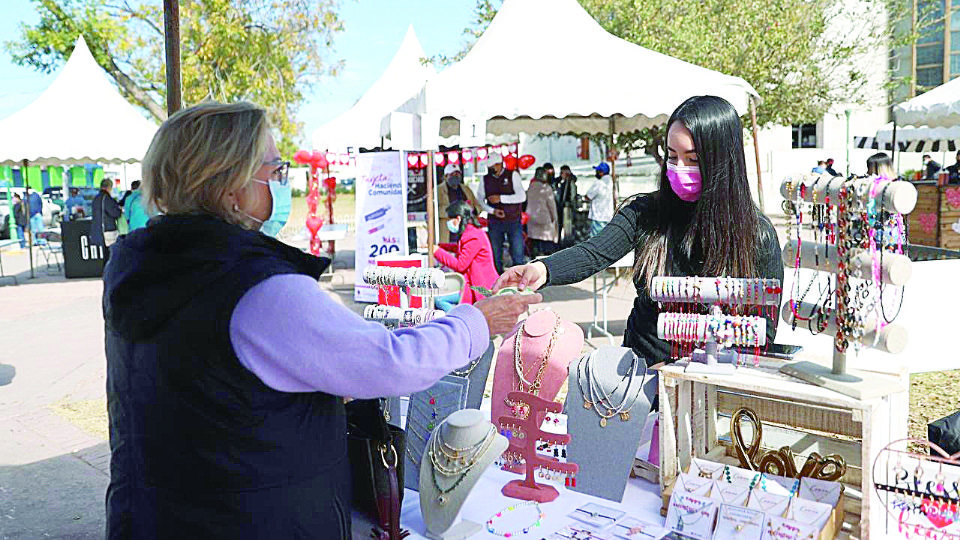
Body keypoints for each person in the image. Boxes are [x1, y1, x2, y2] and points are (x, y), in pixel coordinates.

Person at [101, 101, 540, 539]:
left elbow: (214, 383)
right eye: (273, 172)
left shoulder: (140, 265)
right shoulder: (256, 287)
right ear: (231, 188)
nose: (279, 186)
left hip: (158, 512)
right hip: (248, 519)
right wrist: (476, 322)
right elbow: (390, 362)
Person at [494, 95, 783, 366]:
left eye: (693, 160)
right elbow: (594, 253)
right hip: (641, 377)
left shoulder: (757, 236)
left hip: (715, 385)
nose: (679, 168)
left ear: (723, 162)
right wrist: (543, 270)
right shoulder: (646, 213)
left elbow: (764, 332)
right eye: (672, 156)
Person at [433, 201, 500, 312]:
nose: (448, 223)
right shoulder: (471, 232)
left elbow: (460, 265)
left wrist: (437, 252)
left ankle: (459, 320)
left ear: (458, 218)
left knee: (440, 300)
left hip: (480, 286)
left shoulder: (472, 236)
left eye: (450, 219)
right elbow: (462, 249)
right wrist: (442, 246)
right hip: (473, 284)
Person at [476, 154, 526, 274]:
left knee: (517, 252)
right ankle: (496, 279)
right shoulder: (485, 179)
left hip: (513, 220)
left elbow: (522, 196)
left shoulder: (513, 175)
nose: (491, 169)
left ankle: (520, 279)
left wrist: (501, 198)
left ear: (500, 164)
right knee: (495, 252)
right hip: (495, 221)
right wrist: (492, 211)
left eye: (493, 166)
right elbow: (479, 200)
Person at [437, 163, 482, 244]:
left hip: (465, 229)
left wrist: (472, 210)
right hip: (447, 230)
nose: (455, 176)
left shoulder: (466, 189)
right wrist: (453, 211)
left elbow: (477, 206)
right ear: (446, 176)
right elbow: (434, 210)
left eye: (457, 174)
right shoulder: (438, 190)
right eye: (452, 175)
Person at [525, 166, 558, 256]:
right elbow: (551, 205)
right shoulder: (546, 188)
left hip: (531, 218)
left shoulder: (531, 186)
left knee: (535, 241)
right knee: (546, 242)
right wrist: (554, 218)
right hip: (545, 218)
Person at [90, 178, 122, 259]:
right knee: (111, 255)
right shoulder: (107, 198)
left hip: (98, 230)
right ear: (109, 187)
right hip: (108, 230)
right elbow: (115, 213)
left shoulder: (96, 198)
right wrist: (119, 210)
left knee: (105, 255)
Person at [585, 162, 613, 237]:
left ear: (601, 172)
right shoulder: (611, 182)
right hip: (608, 216)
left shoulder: (599, 183)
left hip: (598, 216)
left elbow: (588, 196)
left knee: (596, 241)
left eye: (597, 171)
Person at [557, 165, 578, 247]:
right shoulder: (564, 182)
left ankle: (567, 242)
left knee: (567, 226)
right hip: (564, 206)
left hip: (567, 207)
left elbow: (572, 195)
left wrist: (571, 205)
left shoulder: (570, 182)